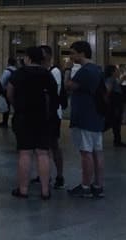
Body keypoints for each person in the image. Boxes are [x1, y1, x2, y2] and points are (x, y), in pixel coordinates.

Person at [7, 46, 58, 199]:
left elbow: (9, 92)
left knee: (25, 153)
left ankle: (23, 190)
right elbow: (54, 95)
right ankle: (45, 190)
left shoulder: (19, 73)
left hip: (23, 116)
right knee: (43, 153)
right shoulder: (47, 74)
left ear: (28, 58)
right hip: (43, 117)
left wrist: (17, 105)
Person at [66, 41, 106, 198]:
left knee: (86, 152)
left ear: (82, 53)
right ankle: (98, 184)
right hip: (96, 115)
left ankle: (85, 185)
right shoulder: (97, 69)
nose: (71, 56)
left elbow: (68, 86)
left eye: (73, 52)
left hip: (84, 115)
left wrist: (68, 70)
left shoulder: (85, 71)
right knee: (97, 151)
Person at [41, 44, 66, 185]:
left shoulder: (54, 71)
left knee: (53, 144)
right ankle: (44, 173)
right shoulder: (42, 70)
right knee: (42, 146)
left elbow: (52, 92)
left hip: (53, 113)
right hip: (42, 113)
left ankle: (59, 175)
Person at [104, 64, 126, 148]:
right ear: (112, 72)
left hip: (115, 104)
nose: (118, 72)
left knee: (115, 122)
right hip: (114, 105)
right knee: (113, 121)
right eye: (116, 70)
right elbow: (108, 90)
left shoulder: (113, 79)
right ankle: (117, 140)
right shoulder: (110, 79)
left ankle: (117, 140)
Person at [0, 56, 17, 128]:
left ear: (8, 63)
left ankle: (4, 122)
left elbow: (2, 81)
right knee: (15, 106)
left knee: (6, 107)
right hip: (16, 91)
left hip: (7, 91)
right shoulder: (17, 71)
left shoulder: (7, 71)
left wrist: (0, 90)